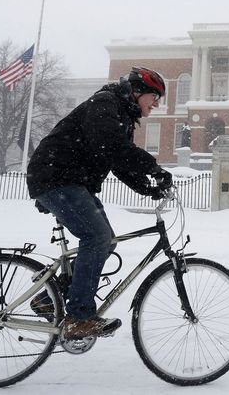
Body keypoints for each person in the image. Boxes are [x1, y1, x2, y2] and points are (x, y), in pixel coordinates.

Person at [26, 67, 173, 339]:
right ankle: (79, 318)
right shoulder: (105, 104)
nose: (157, 104)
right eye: (155, 96)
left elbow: (118, 163)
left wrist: (148, 188)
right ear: (137, 92)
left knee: (106, 240)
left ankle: (50, 299)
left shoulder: (123, 115)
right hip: (56, 177)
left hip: (69, 180)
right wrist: (154, 168)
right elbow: (111, 147)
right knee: (97, 238)